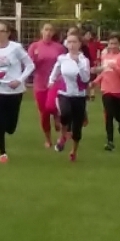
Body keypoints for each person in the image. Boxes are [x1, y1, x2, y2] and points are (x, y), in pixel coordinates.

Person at [0, 22, 34, 163]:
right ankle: (2, 152)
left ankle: (5, 130)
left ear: (8, 33)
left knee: (10, 127)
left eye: (2, 31)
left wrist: (19, 80)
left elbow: (30, 65)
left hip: (14, 91)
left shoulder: (16, 48)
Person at [48, 32, 91, 162]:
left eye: (74, 42)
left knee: (77, 127)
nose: (71, 45)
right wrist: (51, 81)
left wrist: (78, 63)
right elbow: (55, 71)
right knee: (65, 113)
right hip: (64, 93)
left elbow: (85, 79)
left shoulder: (84, 60)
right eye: (69, 42)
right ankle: (63, 135)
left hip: (79, 95)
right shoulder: (62, 58)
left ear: (79, 44)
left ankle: (74, 150)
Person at [28, 23, 67, 148]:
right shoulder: (34, 46)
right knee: (44, 113)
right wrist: (34, 62)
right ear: (41, 31)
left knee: (53, 107)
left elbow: (65, 64)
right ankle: (48, 139)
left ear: (53, 32)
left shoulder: (59, 48)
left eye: (51, 30)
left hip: (55, 83)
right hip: (40, 83)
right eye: (46, 30)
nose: (48, 32)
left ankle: (57, 117)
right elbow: (29, 64)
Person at [95, 33, 120, 151]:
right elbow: (104, 72)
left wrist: (116, 68)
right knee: (109, 114)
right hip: (107, 89)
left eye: (115, 43)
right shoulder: (105, 56)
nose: (112, 46)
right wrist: (95, 81)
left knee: (118, 114)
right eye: (110, 43)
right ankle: (110, 141)